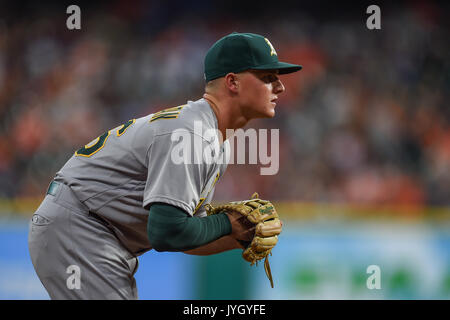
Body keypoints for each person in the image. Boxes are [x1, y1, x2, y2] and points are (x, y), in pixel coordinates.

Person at [28, 32, 302, 299]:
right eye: (268, 78)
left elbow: (188, 234)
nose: (280, 87)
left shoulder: (213, 137)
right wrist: (228, 223)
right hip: (80, 228)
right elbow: (167, 233)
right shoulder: (192, 133)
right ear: (233, 82)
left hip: (91, 231)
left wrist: (239, 236)